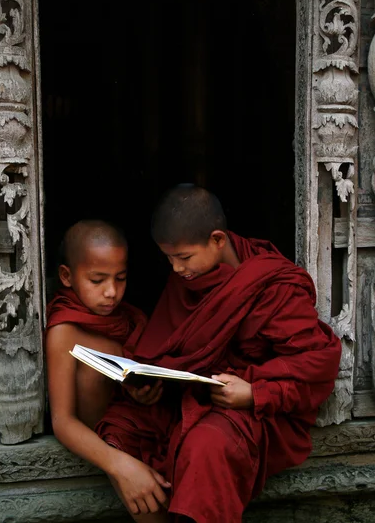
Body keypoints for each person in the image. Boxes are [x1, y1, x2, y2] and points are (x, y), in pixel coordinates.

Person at [95, 185, 342, 523]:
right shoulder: (189, 277)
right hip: (194, 395)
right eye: (168, 258)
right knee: (120, 428)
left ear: (217, 240)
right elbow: (167, 350)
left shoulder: (270, 285)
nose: (176, 269)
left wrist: (254, 394)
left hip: (255, 407)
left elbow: (317, 368)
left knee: (206, 446)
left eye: (183, 258)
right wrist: (147, 384)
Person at [46, 219, 155, 479]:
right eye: (97, 280)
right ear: (66, 276)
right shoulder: (65, 331)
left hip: (142, 433)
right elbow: (63, 421)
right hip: (111, 450)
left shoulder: (130, 319)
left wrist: (142, 393)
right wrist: (119, 465)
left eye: (121, 278)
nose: (112, 292)